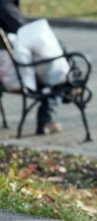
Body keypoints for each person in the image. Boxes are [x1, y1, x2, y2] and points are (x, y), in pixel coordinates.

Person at [0, 0, 62, 134]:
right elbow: (24, 31)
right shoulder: (4, 6)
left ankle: (70, 87)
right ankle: (45, 119)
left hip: (9, 68)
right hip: (14, 71)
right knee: (59, 73)